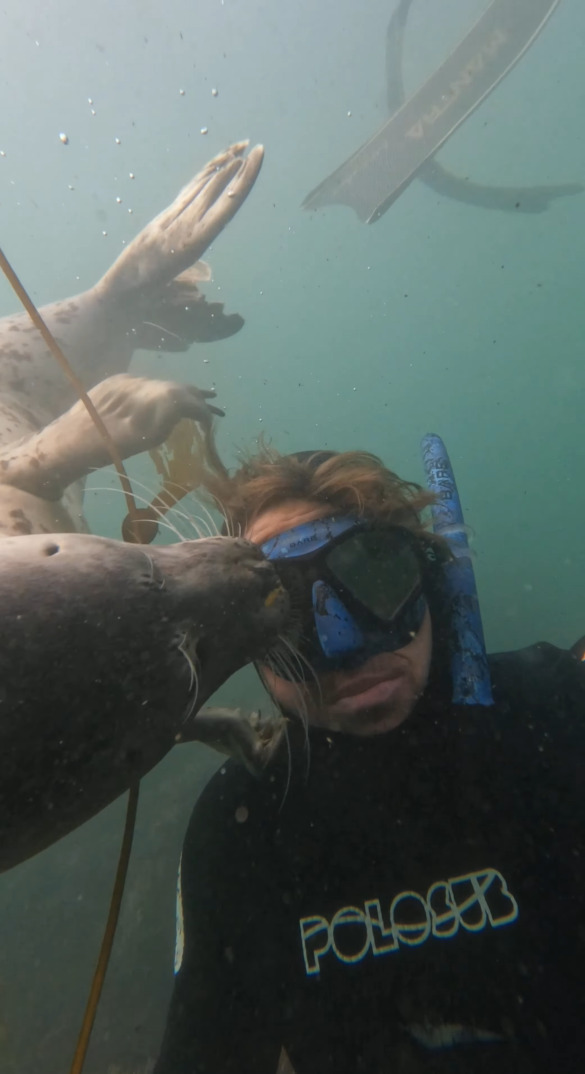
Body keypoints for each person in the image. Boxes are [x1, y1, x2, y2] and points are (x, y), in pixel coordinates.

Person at [154, 446, 585, 1074]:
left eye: (374, 578)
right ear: (249, 649)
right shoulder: (243, 823)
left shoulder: (556, 710)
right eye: (287, 616)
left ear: (433, 581)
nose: (343, 645)